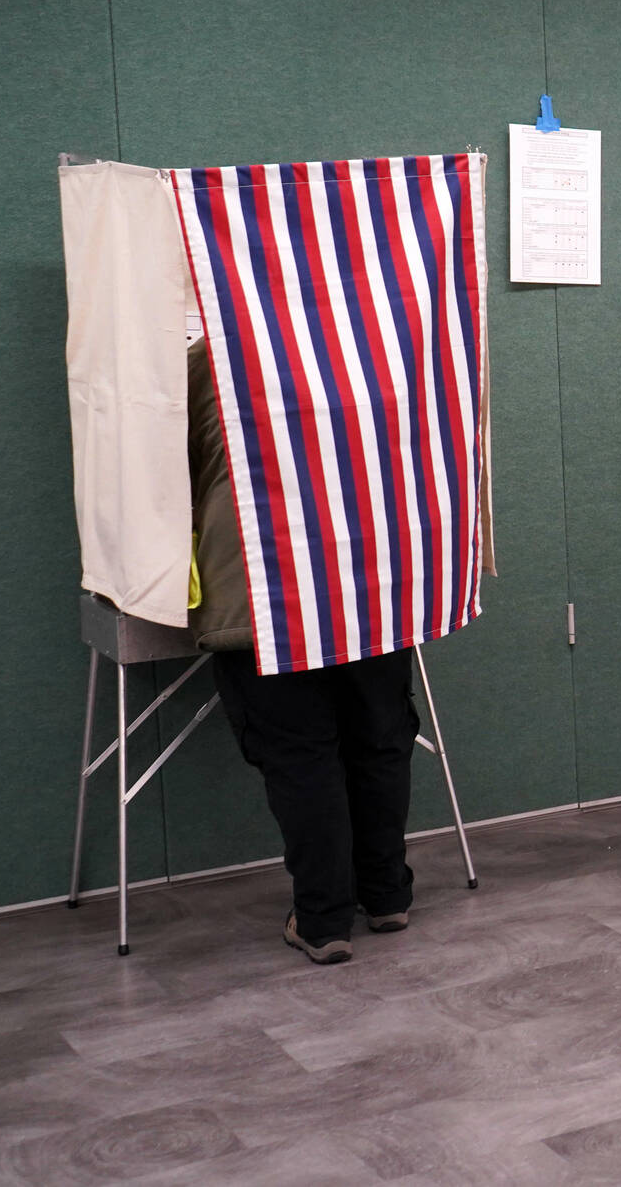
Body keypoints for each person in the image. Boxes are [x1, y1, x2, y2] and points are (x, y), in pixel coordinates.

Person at [187, 339, 420, 963]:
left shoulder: (212, 355)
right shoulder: (377, 339)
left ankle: (322, 920)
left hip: (263, 586)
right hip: (372, 576)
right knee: (379, 737)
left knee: (299, 752)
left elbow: (168, 479)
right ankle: (387, 894)